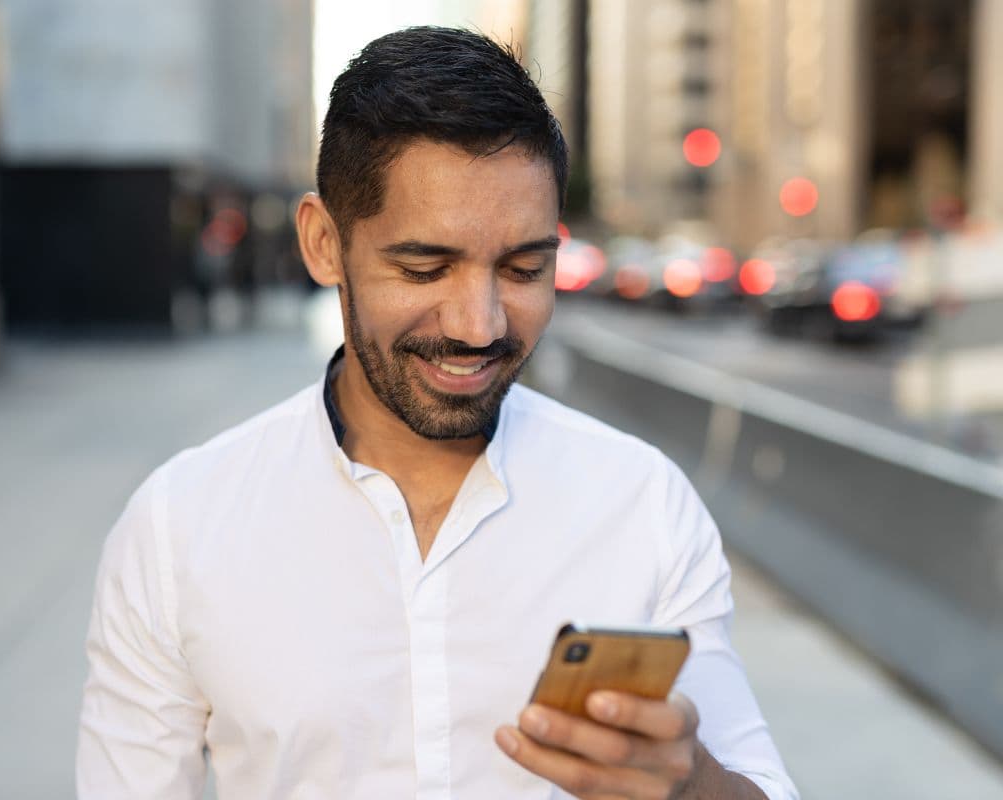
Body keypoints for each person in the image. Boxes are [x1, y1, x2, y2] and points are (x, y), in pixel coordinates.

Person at [76, 27, 798, 800]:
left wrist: (690, 784)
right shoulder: (178, 528)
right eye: (425, 267)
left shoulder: (641, 503)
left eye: (525, 269)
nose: (479, 325)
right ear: (324, 244)